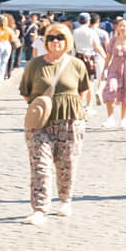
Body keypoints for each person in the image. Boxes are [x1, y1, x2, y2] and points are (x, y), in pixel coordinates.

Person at [19, 22, 91, 225]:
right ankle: (40, 208)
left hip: (70, 120)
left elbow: (83, 91)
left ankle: (65, 199)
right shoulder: (35, 65)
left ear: (67, 40)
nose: (55, 41)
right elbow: (25, 92)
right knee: (40, 164)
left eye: (60, 37)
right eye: (51, 38)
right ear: (45, 41)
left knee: (66, 162)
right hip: (40, 122)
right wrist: (43, 106)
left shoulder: (77, 64)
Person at [98, 17, 126, 129]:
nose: (122, 28)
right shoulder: (113, 40)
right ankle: (110, 118)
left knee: (125, 94)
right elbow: (108, 56)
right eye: (120, 25)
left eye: (124, 26)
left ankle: (123, 119)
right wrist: (104, 69)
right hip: (114, 68)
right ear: (117, 27)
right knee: (110, 90)